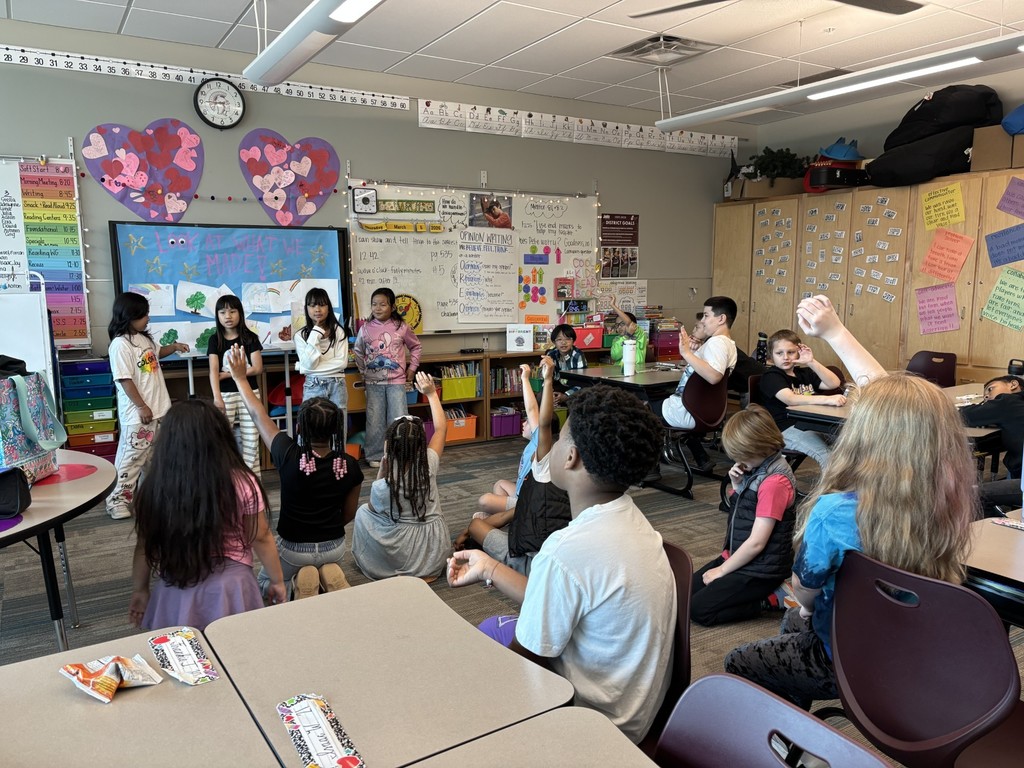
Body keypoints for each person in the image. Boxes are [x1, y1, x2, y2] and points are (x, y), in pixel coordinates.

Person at [724, 295, 977, 710]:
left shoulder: (836, 512)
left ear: (863, 434)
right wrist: (835, 333)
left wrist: (806, 610)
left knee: (743, 658)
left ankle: (791, 737)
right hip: (919, 643)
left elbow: (805, 592)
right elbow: (906, 415)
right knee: (791, 624)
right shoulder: (950, 497)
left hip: (851, 652)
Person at [446, 385, 675, 744]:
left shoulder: (567, 549)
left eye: (559, 436)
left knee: (468, 662)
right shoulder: (633, 523)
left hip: (586, 724)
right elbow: (562, 597)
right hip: (633, 712)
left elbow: (528, 658)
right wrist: (489, 567)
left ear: (571, 457)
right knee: (493, 625)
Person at [128, 400, 286, 631]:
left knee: (182, 659)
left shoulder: (153, 488)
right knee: (236, 654)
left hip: (176, 588)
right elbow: (260, 536)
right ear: (221, 438)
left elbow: (144, 545)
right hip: (231, 588)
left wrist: (140, 589)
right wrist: (277, 580)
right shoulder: (242, 482)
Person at [225, 345, 365, 600]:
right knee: (324, 561)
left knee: (264, 587)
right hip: (334, 546)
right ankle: (324, 571)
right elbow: (349, 514)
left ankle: (300, 581)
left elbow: (258, 415)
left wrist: (239, 377)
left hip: (293, 549)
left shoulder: (288, 455)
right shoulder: (349, 465)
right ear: (336, 430)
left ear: (300, 428)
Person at [453, 356, 570, 576]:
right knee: (494, 499)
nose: (525, 422)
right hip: (541, 544)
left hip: (527, 559)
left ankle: (484, 550)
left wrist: (542, 380)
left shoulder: (541, 457)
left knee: (481, 513)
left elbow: (537, 415)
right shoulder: (569, 487)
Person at [691, 404, 796, 626]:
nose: (738, 461)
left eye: (742, 455)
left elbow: (757, 543)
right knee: (684, 592)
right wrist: (738, 485)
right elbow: (746, 513)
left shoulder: (774, 482)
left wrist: (721, 570)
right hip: (738, 555)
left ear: (760, 447)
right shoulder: (758, 468)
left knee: (699, 610)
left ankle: (772, 598)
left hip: (761, 569)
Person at [351, 371, 451, 580]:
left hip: (403, 546)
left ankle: (389, 566)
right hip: (433, 554)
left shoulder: (382, 487)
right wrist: (431, 393)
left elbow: (375, 511)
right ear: (421, 446)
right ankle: (423, 570)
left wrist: (382, 468)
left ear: (389, 447)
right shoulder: (429, 463)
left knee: (362, 513)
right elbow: (441, 428)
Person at [105, 292, 189, 520]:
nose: (148, 318)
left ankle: (151, 498)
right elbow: (124, 379)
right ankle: (116, 501)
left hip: (160, 411)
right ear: (129, 316)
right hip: (139, 415)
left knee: (155, 460)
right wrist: (142, 407)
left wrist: (174, 347)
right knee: (131, 459)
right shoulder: (120, 345)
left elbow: (157, 354)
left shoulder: (144, 339)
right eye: (143, 315)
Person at [653, 296, 739, 470]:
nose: (703, 321)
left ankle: (649, 468)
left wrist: (686, 353)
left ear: (721, 319)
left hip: (685, 411)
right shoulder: (727, 344)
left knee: (638, 407)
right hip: (705, 413)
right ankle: (699, 456)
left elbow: (714, 376)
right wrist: (694, 353)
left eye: (706, 316)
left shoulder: (717, 343)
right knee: (656, 401)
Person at [353, 287, 422, 468]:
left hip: (396, 382)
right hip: (373, 383)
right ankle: (374, 456)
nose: (377, 308)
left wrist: (412, 369)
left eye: (382, 304)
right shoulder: (365, 328)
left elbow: (416, 347)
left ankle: (400, 453)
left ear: (392, 306)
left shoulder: (402, 327)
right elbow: (358, 351)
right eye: (374, 304)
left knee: (399, 419)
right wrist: (363, 371)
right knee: (374, 420)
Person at [759, 329, 845, 468]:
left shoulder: (804, 373)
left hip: (810, 423)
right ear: (771, 356)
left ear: (798, 352)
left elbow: (834, 383)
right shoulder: (771, 376)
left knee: (851, 444)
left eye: (791, 352)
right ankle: (831, 489)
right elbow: (790, 399)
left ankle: (853, 485)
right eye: (779, 353)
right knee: (826, 456)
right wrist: (827, 399)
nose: (785, 357)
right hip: (786, 428)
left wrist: (811, 362)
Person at [207, 294, 264, 475]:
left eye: (232, 311)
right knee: (220, 439)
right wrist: (217, 398)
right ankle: (224, 480)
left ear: (240, 313)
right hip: (224, 395)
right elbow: (213, 371)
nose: (228, 316)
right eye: (222, 312)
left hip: (249, 392)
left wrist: (229, 374)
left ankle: (253, 483)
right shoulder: (214, 340)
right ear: (217, 315)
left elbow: (257, 368)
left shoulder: (250, 338)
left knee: (251, 440)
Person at [295, 287, 349, 442]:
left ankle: (338, 465)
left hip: (337, 384)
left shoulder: (339, 332)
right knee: (308, 427)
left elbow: (342, 363)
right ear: (306, 308)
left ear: (328, 307)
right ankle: (306, 465)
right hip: (313, 385)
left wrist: (308, 367)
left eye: (322, 305)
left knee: (338, 430)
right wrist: (316, 333)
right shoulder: (300, 336)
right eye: (312, 305)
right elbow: (308, 364)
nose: (317, 309)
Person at [959, 374, 1024, 480]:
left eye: (990, 389)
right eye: (984, 398)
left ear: (1013, 384)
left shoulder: (1007, 401)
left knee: (980, 495)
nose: (986, 397)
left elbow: (965, 415)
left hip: (1021, 477)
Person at [545, 323, 587, 406]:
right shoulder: (551, 354)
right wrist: (549, 393)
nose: (563, 342)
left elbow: (583, 382)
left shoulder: (578, 355)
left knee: (575, 400)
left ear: (573, 341)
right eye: (559, 339)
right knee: (541, 396)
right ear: (554, 342)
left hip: (576, 386)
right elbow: (546, 379)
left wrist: (567, 395)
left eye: (568, 339)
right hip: (559, 384)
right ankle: (550, 419)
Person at [608, 296, 649, 365]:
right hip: (619, 371)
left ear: (634, 325)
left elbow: (629, 323)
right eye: (617, 325)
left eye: (622, 324)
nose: (619, 328)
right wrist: (627, 336)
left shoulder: (639, 334)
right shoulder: (617, 339)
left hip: (637, 371)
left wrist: (613, 305)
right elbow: (615, 356)